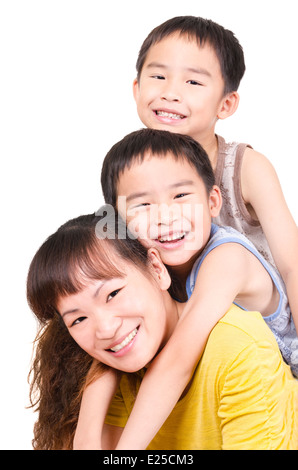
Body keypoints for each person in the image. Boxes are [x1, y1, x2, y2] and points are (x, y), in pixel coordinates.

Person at [27, 211, 298, 450]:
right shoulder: (116, 370)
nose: (106, 329)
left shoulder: (237, 348)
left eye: (113, 294)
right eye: (78, 319)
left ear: (157, 269)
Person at [131, 15, 298, 331]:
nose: (171, 93)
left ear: (226, 104)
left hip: (267, 332)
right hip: (193, 327)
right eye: (158, 76)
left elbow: (293, 266)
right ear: (137, 89)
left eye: (192, 82)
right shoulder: (133, 170)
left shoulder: (245, 168)